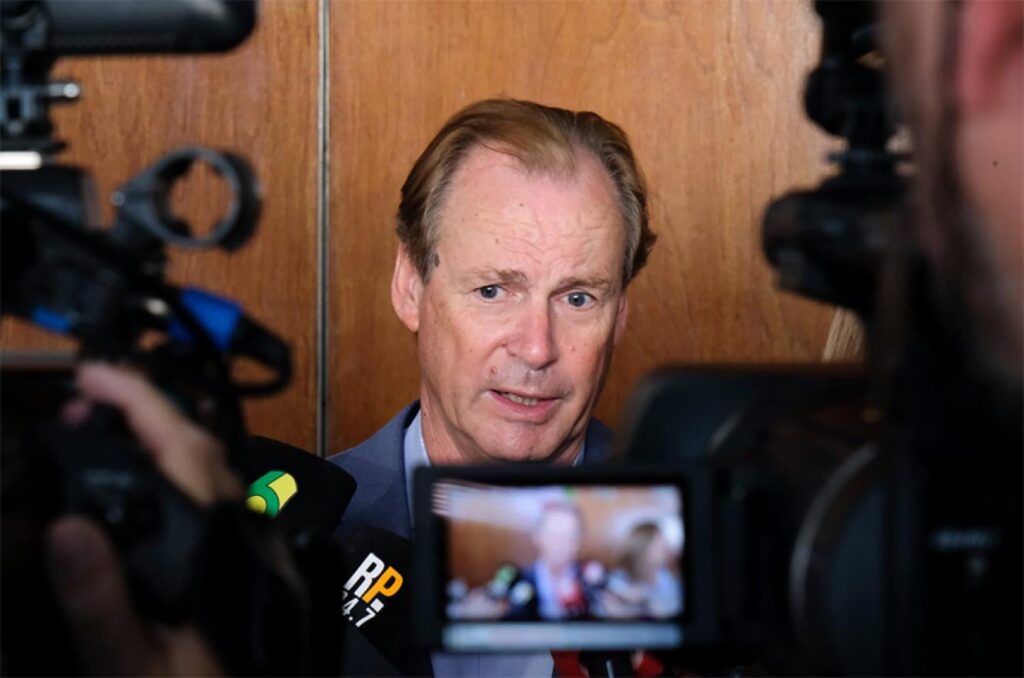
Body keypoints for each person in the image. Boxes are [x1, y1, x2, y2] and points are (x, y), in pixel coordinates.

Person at [328, 98, 655, 676]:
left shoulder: (697, 545)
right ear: (410, 286)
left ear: (620, 314)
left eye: (578, 297)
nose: (536, 348)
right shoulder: (299, 537)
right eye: (493, 291)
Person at [504, 501, 594, 621]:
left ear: (579, 541)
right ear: (537, 537)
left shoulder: (592, 583)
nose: (562, 544)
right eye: (554, 535)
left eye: (570, 536)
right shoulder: (518, 582)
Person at [603, 522, 682, 619]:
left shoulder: (669, 579)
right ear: (642, 547)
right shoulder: (616, 580)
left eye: (663, 542)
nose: (665, 547)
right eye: (658, 542)